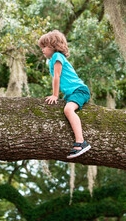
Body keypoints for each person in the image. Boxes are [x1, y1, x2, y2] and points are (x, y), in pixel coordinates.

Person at [38, 30, 91, 159]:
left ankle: (81, 142)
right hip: (72, 93)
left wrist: (55, 95)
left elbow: (57, 76)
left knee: (68, 110)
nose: (42, 50)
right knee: (65, 108)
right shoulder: (53, 60)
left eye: (44, 46)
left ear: (54, 45)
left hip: (79, 90)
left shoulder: (57, 56)